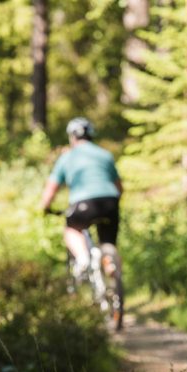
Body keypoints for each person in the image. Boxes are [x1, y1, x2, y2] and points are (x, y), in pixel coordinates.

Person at [40, 117, 123, 282]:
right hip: (110, 201)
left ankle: (83, 258)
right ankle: (109, 264)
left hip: (83, 204)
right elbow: (119, 187)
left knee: (71, 230)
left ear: (72, 137)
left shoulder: (67, 157)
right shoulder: (105, 154)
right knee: (107, 242)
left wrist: (44, 207)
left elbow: (51, 188)